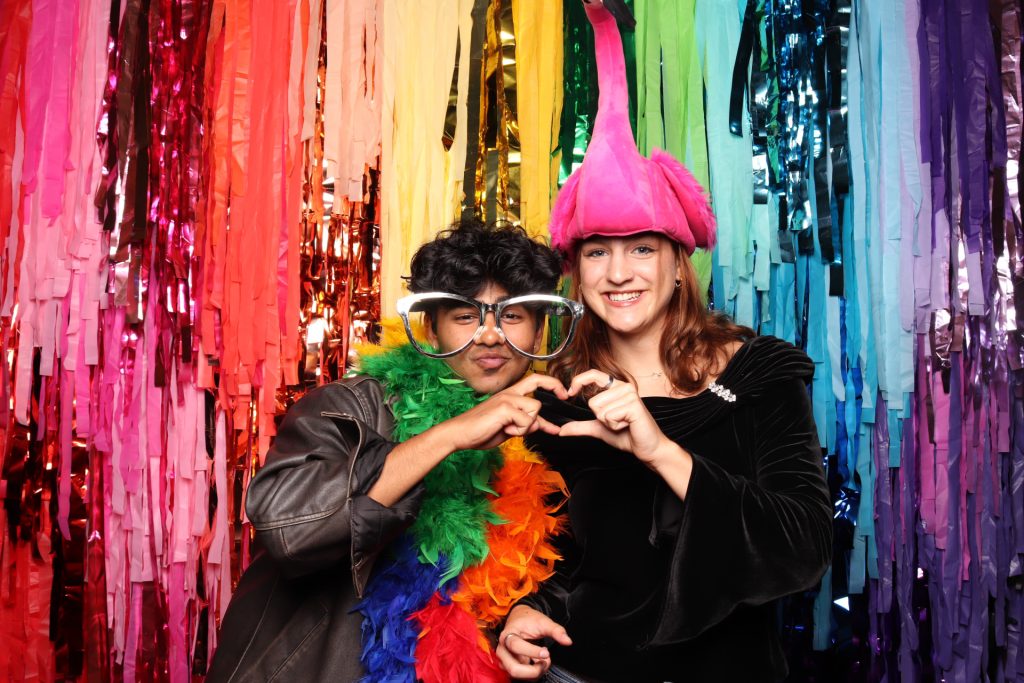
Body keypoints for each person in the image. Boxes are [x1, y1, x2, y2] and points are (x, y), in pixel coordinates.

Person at [494, 3, 833, 682]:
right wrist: (517, 613)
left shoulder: (759, 374)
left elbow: (803, 549)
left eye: (642, 248)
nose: (619, 273)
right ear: (575, 270)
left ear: (680, 262)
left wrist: (658, 450)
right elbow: (547, 557)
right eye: (597, 252)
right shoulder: (555, 402)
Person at [206, 217, 583, 682]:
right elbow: (289, 529)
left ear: (539, 329)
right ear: (432, 328)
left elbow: (494, 583)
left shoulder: (540, 433)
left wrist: (519, 617)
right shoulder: (354, 405)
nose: (489, 335)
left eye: (511, 315)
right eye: (466, 316)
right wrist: (448, 435)